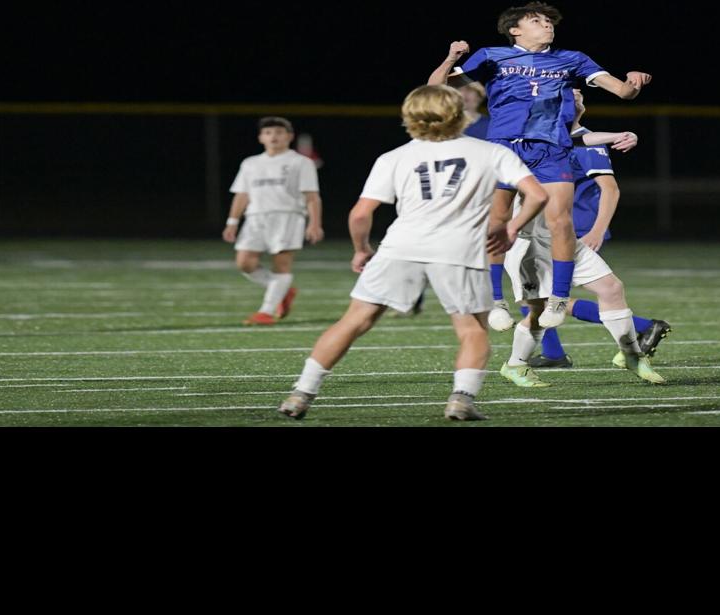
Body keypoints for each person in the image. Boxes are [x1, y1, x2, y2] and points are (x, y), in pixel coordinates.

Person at [276, 85, 547, 421]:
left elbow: (360, 214)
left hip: (399, 246)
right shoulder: (491, 152)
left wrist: (362, 250)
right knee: (471, 330)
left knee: (354, 320)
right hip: (458, 250)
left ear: (410, 116)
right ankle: (461, 399)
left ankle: (301, 393)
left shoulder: (393, 156)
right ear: (458, 113)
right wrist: (511, 227)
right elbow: (537, 195)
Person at [430, 2, 651, 329]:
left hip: (551, 148)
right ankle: (496, 301)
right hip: (505, 148)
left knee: (561, 221)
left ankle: (559, 299)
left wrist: (633, 82)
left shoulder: (573, 59)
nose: (547, 25)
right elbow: (436, 88)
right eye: (537, 20)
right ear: (515, 30)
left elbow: (622, 91)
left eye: (549, 21)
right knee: (497, 219)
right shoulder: (493, 56)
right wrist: (452, 58)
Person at [529, 88, 668, 369]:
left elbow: (610, 190)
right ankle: (555, 354)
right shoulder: (555, 141)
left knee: (540, 297)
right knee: (537, 296)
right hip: (554, 227)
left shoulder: (586, 144)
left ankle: (644, 326)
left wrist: (596, 230)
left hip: (578, 228)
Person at [223, 117, 323, 325]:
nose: (273, 136)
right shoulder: (250, 163)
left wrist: (314, 223)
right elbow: (241, 195)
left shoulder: (300, 162)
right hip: (255, 218)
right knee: (244, 262)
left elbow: (312, 196)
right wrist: (232, 222)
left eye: (279, 132)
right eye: (268, 133)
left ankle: (266, 312)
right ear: (261, 138)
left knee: (282, 265)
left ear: (289, 136)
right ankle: (281, 290)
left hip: (288, 216)